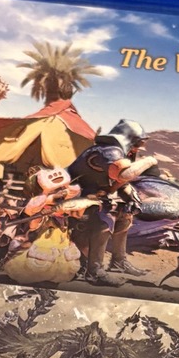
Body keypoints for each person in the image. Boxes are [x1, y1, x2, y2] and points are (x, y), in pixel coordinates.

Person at [67, 120, 156, 283]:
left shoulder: (115, 151)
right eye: (138, 143)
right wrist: (149, 161)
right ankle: (94, 272)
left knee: (124, 216)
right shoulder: (109, 151)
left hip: (93, 195)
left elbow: (115, 182)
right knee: (104, 221)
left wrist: (129, 194)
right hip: (76, 197)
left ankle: (118, 261)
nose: (138, 148)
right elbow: (123, 174)